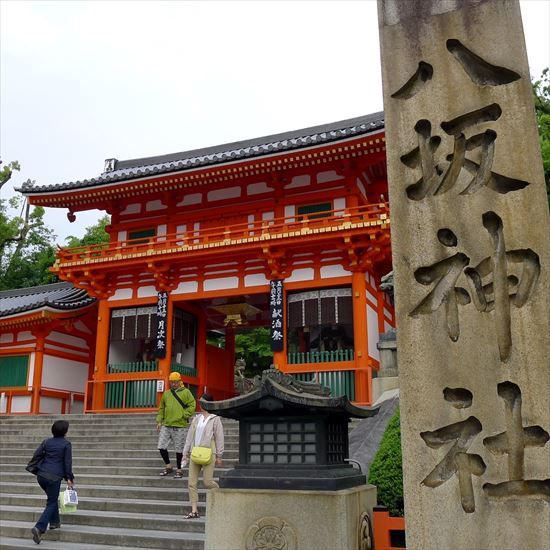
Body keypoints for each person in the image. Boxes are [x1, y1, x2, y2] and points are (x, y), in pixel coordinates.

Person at [30, 420, 75, 545]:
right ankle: (39, 528)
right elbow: (67, 463)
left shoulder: (46, 442)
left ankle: (55, 522)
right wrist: (69, 478)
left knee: (52, 499)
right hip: (54, 477)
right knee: (51, 502)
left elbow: (37, 455)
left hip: (41, 476)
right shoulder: (66, 444)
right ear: (65, 431)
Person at [181, 392, 224, 519]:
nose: (201, 404)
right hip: (195, 452)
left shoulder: (215, 418)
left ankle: (222, 493)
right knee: (191, 483)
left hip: (209, 452)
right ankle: (194, 510)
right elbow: (190, 437)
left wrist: (219, 455)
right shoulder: (196, 418)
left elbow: (219, 437)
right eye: (200, 401)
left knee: (207, 481)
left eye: (203, 402)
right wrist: (185, 453)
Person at [156, 372, 196, 478]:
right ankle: (168, 466)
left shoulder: (186, 392)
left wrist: (184, 414)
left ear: (180, 381)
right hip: (167, 424)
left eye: (175, 382)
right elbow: (162, 409)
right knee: (161, 446)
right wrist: (159, 421)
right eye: (172, 382)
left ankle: (179, 469)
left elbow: (192, 404)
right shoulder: (166, 394)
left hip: (180, 425)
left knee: (179, 449)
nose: (173, 384)